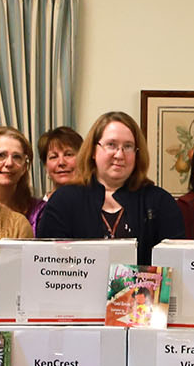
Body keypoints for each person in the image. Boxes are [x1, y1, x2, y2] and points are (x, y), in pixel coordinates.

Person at [36, 110, 185, 264]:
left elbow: (175, 267)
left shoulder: (160, 202)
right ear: (93, 151)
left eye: (128, 146)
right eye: (111, 145)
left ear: (137, 154)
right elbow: (47, 265)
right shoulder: (63, 201)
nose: (119, 155)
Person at [29, 124, 83, 229]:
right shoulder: (34, 211)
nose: (61, 162)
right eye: (53, 157)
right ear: (45, 166)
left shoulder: (95, 203)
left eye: (68, 154)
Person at [0, 125, 38, 221]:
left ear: (24, 167)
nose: (9, 163)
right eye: (1, 155)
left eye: (16, 157)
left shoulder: (38, 212)